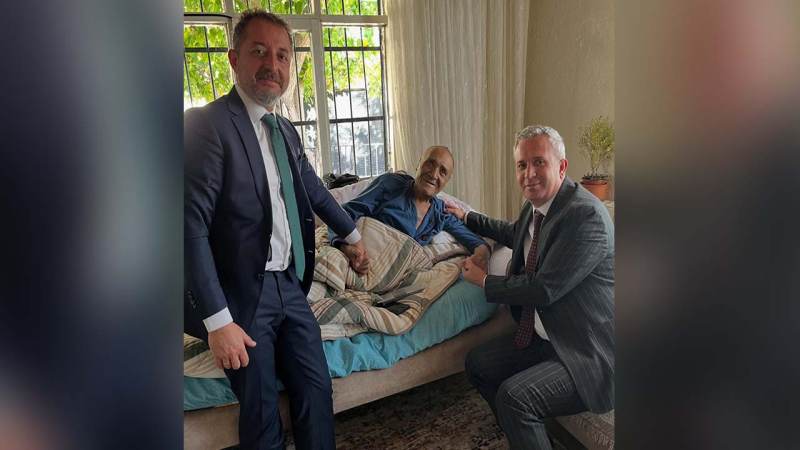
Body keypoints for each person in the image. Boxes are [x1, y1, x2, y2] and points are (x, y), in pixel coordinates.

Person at [183, 10, 368, 450]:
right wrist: (218, 322)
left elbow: (315, 190)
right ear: (234, 59)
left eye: (283, 55)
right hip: (240, 294)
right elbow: (188, 226)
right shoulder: (207, 125)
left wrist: (353, 237)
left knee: (316, 390)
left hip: (290, 284)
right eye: (260, 51)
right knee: (262, 407)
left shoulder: (284, 129)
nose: (273, 64)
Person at [446, 125, 614, 449]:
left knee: (515, 398)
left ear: (562, 167)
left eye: (539, 162)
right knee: (477, 364)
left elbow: (544, 289)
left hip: (589, 353)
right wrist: (468, 217)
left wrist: (484, 281)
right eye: (522, 165)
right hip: (548, 338)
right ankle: (530, 439)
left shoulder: (585, 216)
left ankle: (525, 429)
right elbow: (514, 233)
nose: (529, 174)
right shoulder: (537, 206)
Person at [331, 145, 491, 269]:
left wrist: (481, 252)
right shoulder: (390, 184)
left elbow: (473, 240)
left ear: (446, 181)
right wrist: (346, 248)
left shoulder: (441, 212)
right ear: (419, 164)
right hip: (361, 259)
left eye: (443, 172)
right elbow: (342, 215)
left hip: (394, 277)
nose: (434, 174)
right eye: (430, 163)